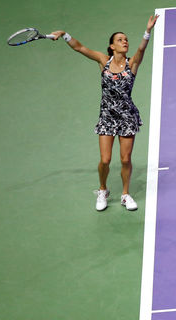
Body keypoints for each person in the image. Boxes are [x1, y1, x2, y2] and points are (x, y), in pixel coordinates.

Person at [50, 14, 158, 210]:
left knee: (125, 159)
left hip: (127, 116)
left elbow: (142, 48)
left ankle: (125, 194)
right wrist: (65, 34)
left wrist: (147, 31)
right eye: (120, 40)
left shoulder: (132, 63)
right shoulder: (103, 60)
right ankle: (102, 190)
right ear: (112, 47)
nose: (124, 42)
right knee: (105, 160)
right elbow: (80, 48)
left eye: (126, 39)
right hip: (107, 116)